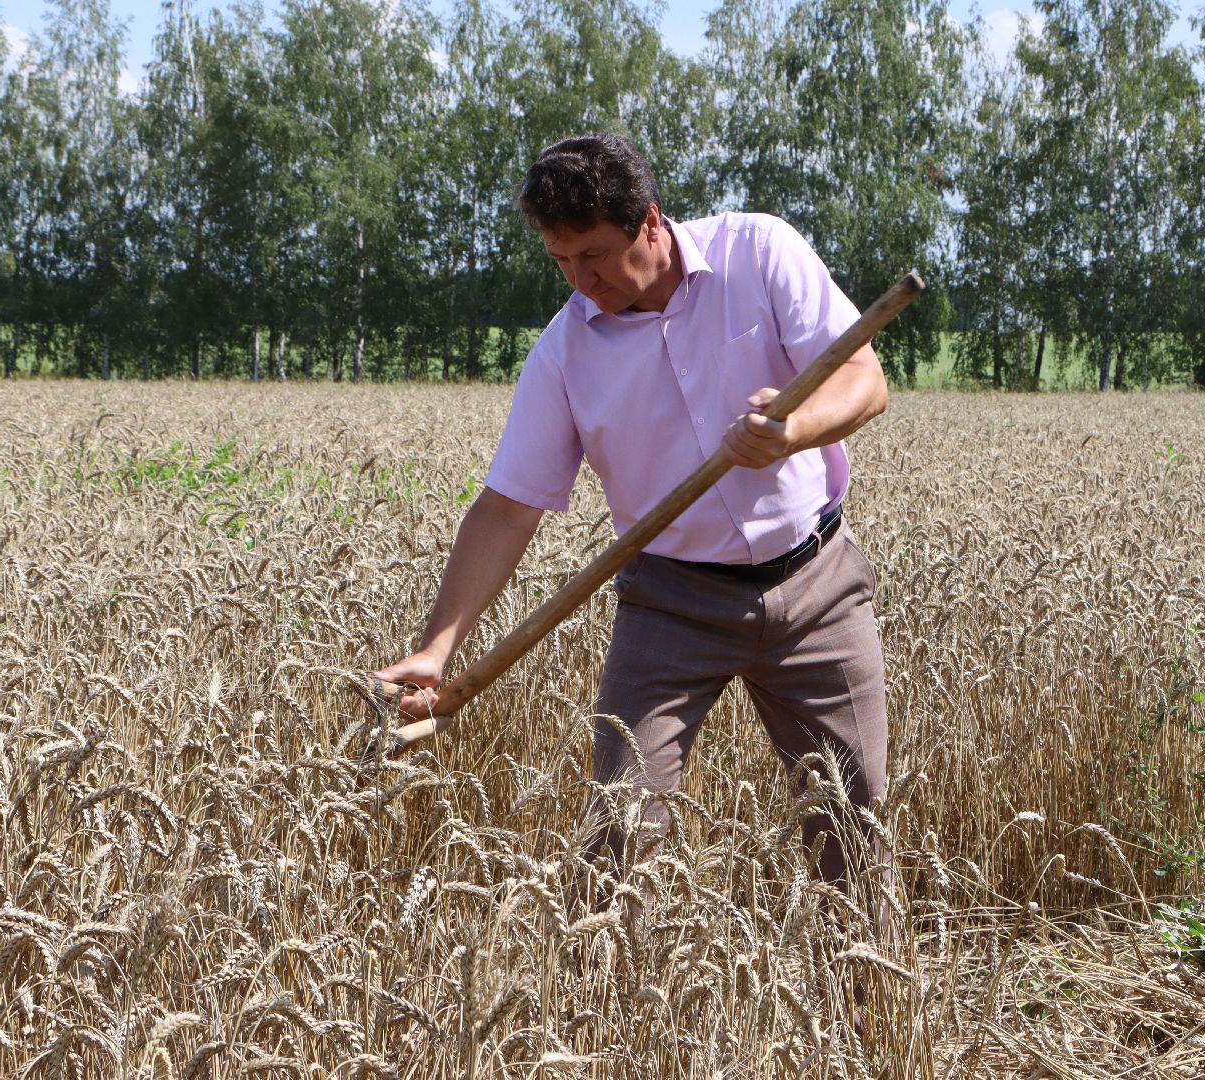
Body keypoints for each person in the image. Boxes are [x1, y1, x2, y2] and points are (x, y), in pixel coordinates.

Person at [374, 131, 889, 894]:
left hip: (818, 584)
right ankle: (601, 1006)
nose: (580, 280)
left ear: (649, 222)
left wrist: (792, 432)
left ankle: (864, 1008)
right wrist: (438, 647)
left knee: (854, 825)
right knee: (616, 833)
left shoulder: (761, 252)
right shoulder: (563, 354)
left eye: (593, 255)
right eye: (560, 261)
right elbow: (508, 506)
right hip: (672, 602)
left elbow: (863, 378)